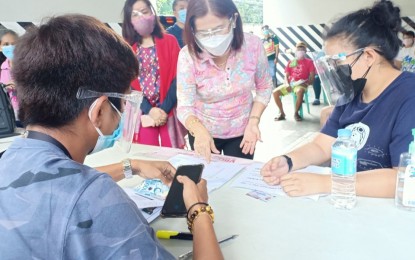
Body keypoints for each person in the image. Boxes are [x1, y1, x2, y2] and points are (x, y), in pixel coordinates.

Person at [0, 14, 223, 259]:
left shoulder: (8, 157)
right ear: (100, 111)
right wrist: (199, 210)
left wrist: (131, 166)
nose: (122, 114)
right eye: (123, 105)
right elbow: (79, 194)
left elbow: (51, 186)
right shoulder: (97, 199)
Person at [261, 0, 415, 198]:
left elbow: (405, 178)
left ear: (368, 56)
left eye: (337, 61)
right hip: (349, 202)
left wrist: (327, 182)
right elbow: (322, 145)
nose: (334, 69)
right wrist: (288, 161)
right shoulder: (352, 92)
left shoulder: (409, 96)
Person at [177, 0, 272, 162]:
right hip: (203, 131)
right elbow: (185, 105)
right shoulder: (188, 56)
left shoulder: (253, 46)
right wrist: (198, 131)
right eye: (203, 33)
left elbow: (264, 86)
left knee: (239, 178)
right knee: (207, 180)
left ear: (233, 20)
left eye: (219, 29)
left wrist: (254, 121)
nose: (212, 37)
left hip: (243, 131)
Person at [122, 0, 186, 148]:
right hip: (142, 110)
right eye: (135, 15)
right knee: (147, 153)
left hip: (167, 109)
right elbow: (127, 85)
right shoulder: (126, 48)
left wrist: (162, 111)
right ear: (129, 20)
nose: (142, 17)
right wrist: (150, 110)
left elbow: (179, 78)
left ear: (152, 13)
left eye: (145, 12)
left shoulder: (169, 41)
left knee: (172, 153)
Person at [273, 41, 315, 121]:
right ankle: (282, 113)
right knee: (275, 92)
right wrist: (287, 84)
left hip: (301, 84)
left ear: (305, 51)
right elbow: (286, 75)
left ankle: (296, 113)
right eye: (298, 49)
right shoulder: (291, 62)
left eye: (302, 49)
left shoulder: (309, 62)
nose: (300, 51)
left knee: (300, 91)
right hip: (291, 84)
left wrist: (308, 82)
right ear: (295, 51)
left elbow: (312, 76)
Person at [0, 30, 21, 127]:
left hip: (30, 111)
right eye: (6, 44)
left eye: (13, 44)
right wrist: (4, 88)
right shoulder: (2, 68)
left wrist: (20, 85)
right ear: (0, 47)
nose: (10, 47)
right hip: (12, 114)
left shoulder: (26, 64)